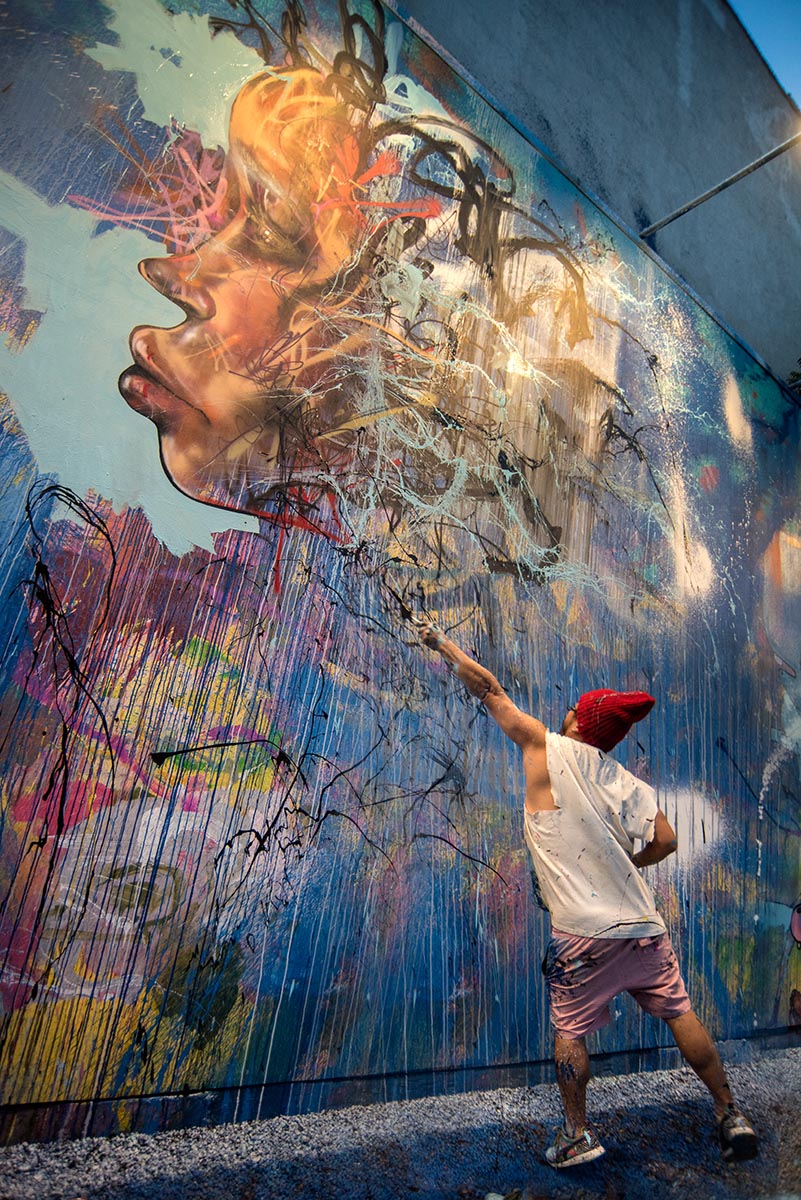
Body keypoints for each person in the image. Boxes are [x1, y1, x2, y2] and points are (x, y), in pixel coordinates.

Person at [419, 622, 759, 1170]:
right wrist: (631, 862)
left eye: (574, 709)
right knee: (681, 1014)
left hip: (582, 934)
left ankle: (576, 1134)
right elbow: (667, 840)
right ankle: (730, 1113)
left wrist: (440, 643)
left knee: (571, 1030)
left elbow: (488, 689)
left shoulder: (544, 747)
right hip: (643, 928)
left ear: (578, 719)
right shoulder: (625, 780)